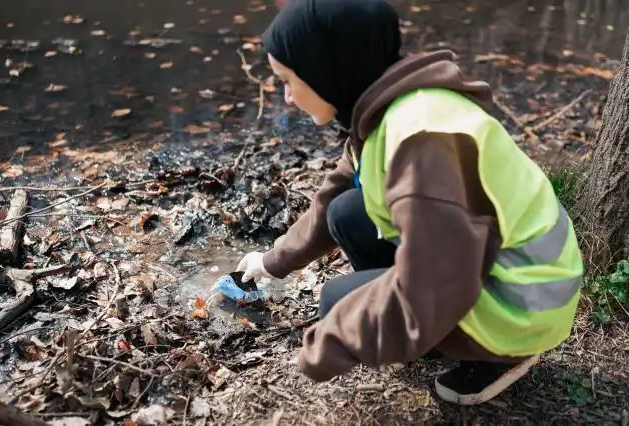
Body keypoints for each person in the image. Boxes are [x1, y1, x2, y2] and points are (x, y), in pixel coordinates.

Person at [236, 0, 583, 406]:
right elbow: (335, 191)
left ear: (325, 69)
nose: (288, 98)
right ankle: (429, 333)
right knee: (346, 212)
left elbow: (440, 282)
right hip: (490, 262)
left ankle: (498, 355)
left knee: (337, 305)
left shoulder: (420, 141)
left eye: (288, 80)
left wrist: (327, 343)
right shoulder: (392, 103)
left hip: (525, 301)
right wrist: (272, 261)